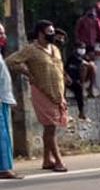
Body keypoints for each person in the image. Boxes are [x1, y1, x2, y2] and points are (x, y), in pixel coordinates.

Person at [6, 20, 69, 173]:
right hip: (42, 91)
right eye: (49, 32)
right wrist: (27, 72)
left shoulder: (55, 49)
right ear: (40, 33)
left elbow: (59, 71)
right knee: (50, 127)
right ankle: (59, 161)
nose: (53, 35)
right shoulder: (31, 50)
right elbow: (11, 61)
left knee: (50, 127)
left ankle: (47, 160)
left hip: (57, 94)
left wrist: (63, 94)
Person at [0, 24, 20, 179]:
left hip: (4, 99)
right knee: (2, 135)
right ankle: (4, 168)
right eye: (0, 33)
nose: (3, 37)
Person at [64, 43, 91, 121]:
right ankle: (65, 112)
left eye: (84, 48)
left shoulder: (84, 57)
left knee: (79, 89)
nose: (82, 50)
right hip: (68, 79)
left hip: (76, 81)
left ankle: (81, 112)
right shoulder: (72, 57)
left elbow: (87, 65)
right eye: (81, 48)